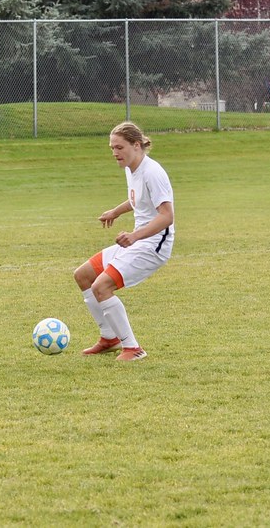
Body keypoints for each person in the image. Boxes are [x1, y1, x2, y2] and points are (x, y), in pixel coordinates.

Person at [73, 122, 174, 362]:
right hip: (138, 241)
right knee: (83, 275)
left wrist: (135, 235)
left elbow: (167, 215)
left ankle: (133, 348)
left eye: (119, 147)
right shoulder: (132, 168)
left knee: (101, 287)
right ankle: (109, 339)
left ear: (136, 145)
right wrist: (116, 211)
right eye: (111, 148)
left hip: (154, 245)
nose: (114, 153)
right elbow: (138, 200)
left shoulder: (153, 172)